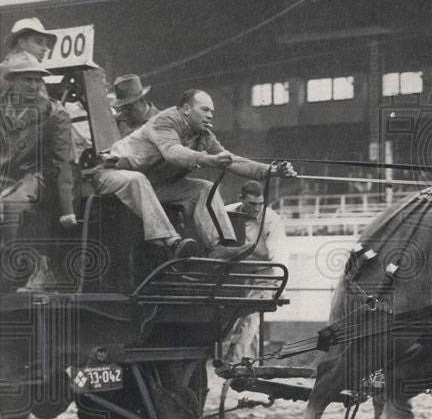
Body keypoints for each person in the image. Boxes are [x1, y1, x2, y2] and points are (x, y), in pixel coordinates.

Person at [91, 88, 296, 260]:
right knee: (137, 179)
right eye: (205, 109)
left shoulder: (203, 135)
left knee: (204, 188)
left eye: (212, 111)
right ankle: (172, 242)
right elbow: (173, 153)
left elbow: (232, 160)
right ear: (186, 109)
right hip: (111, 173)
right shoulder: (165, 121)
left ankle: (221, 246)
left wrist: (271, 170)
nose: (210, 115)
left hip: (151, 184)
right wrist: (206, 159)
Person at [0, 53, 77, 291]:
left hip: (40, 174)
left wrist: (67, 209)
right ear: (13, 80)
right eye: (27, 80)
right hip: (5, 175)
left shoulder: (54, 113)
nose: (33, 85)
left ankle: (28, 268)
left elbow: (64, 162)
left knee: (13, 203)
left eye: (37, 80)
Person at [221, 181, 289, 362]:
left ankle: (234, 363)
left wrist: (280, 286)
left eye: (261, 204)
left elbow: (279, 252)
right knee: (230, 314)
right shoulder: (226, 213)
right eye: (252, 204)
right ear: (240, 199)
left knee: (250, 313)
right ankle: (248, 362)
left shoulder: (271, 219)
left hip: (264, 272)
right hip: (237, 272)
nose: (257, 208)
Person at [0, 17, 58, 94]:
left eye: (45, 44)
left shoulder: (7, 68)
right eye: (39, 42)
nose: (45, 48)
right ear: (22, 43)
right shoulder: (9, 71)